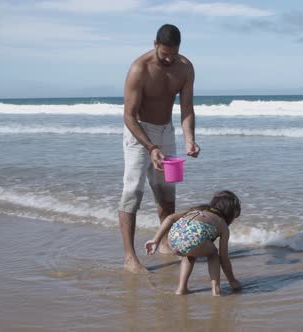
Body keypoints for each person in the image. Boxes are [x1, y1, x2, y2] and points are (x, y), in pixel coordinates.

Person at [119, 24, 200, 273]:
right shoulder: (139, 69)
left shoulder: (184, 68)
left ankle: (165, 242)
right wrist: (151, 147)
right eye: (164, 53)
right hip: (139, 133)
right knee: (133, 191)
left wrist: (189, 139)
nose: (168, 58)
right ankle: (130, 257)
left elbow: (186, 108)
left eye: (173, 54)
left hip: (166, 131)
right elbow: (129, 116)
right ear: (155, 44)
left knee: (167, 191)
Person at [145, 191, 243, 296]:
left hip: (173, 237)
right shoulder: (223, 225)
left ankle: (181, 288)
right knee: (214, 253)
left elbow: (170, 218)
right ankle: (216, 289)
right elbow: (223, 258)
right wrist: (232, 281)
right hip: (191, 239)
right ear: (229, 213)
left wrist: (156, 240)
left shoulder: (198, 210)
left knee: (190, 254)